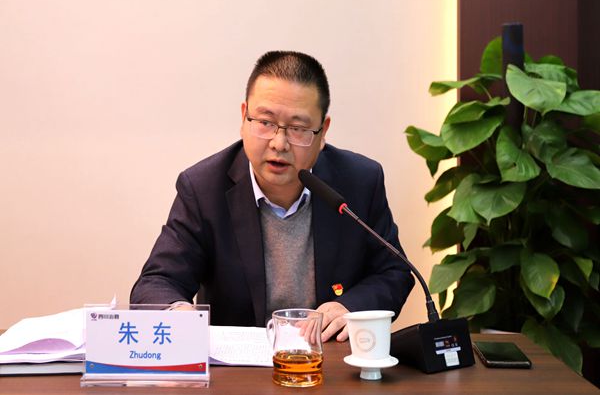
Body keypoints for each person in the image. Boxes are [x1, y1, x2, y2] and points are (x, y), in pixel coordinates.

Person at [130, 51, 414, 342]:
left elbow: (394, 272)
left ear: (323, 131)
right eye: (265, 122)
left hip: (328, 359)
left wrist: (350, 308)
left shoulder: (359, 182)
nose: (279, 143)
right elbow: (156, 282)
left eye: (298, 128)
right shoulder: (203, 188)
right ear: (244, 117)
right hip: (239, 366)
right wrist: (178, 312)